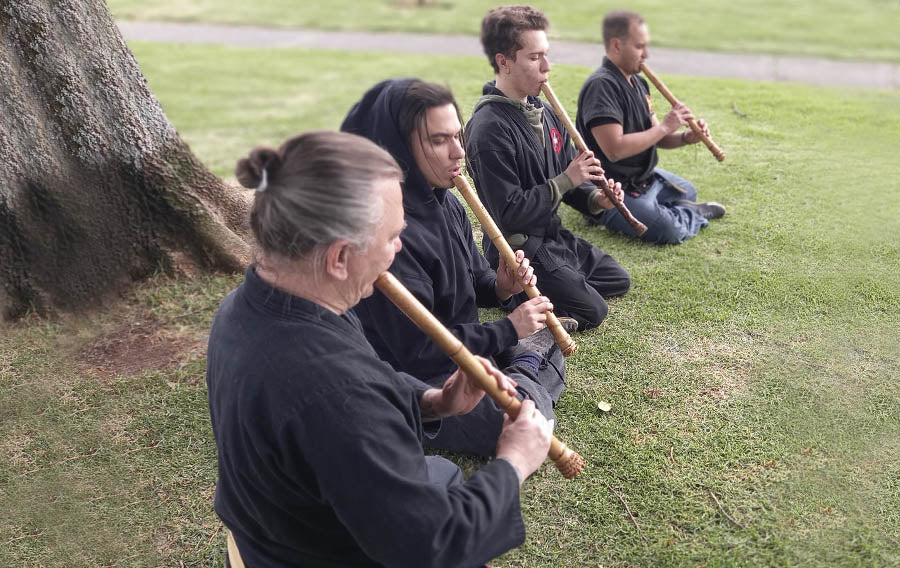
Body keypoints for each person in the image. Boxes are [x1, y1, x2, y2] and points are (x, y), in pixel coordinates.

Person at [206, 130, 553, 567]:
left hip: (288, 515)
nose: (399, 249)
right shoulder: (336, 394)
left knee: (441, 474)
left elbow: (369, 374)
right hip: (312, 550)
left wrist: (436, 401)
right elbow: (433, 545)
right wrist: (514, 462)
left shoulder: (258, 303)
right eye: (391, 237)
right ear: (338, 258)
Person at [342, 78, 572, 457]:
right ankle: (526, 377)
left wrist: (500, 285)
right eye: (439, 141)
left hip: (464, 354)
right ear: (399, 147)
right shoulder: (388, 234)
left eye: (458, 137)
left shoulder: (447, 203)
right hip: (421, 381)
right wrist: (508, 329)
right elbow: (421, 351)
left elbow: (474, 278)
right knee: (513, 419)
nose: (458, 152)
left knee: (547, 348)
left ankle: (523, 377)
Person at [465, 5, 631, 331]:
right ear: (504, 62)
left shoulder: (544, 111)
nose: (547, 67)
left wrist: (598, 199)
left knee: (617, 279)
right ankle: (519, 297)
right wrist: (568, 179)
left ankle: (558, 287)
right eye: (534, 58)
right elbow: (508, 211)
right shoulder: (488, 130)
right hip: (521, 249)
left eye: (546, 55)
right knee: (594, 309)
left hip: (553, 236)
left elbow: (568, 175)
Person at [575, 10, 726, 245]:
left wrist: (686, 137)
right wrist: (666, 125)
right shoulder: (601, 87)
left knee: (688, 191)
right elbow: (615, 149)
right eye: (639, 46)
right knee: (668, 231)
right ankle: (686, 214)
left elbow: (657, 137)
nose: (646, 54)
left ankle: (669, 207)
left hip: (642, 179)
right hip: (612, 189)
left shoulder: (638, 81)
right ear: (616, 45)